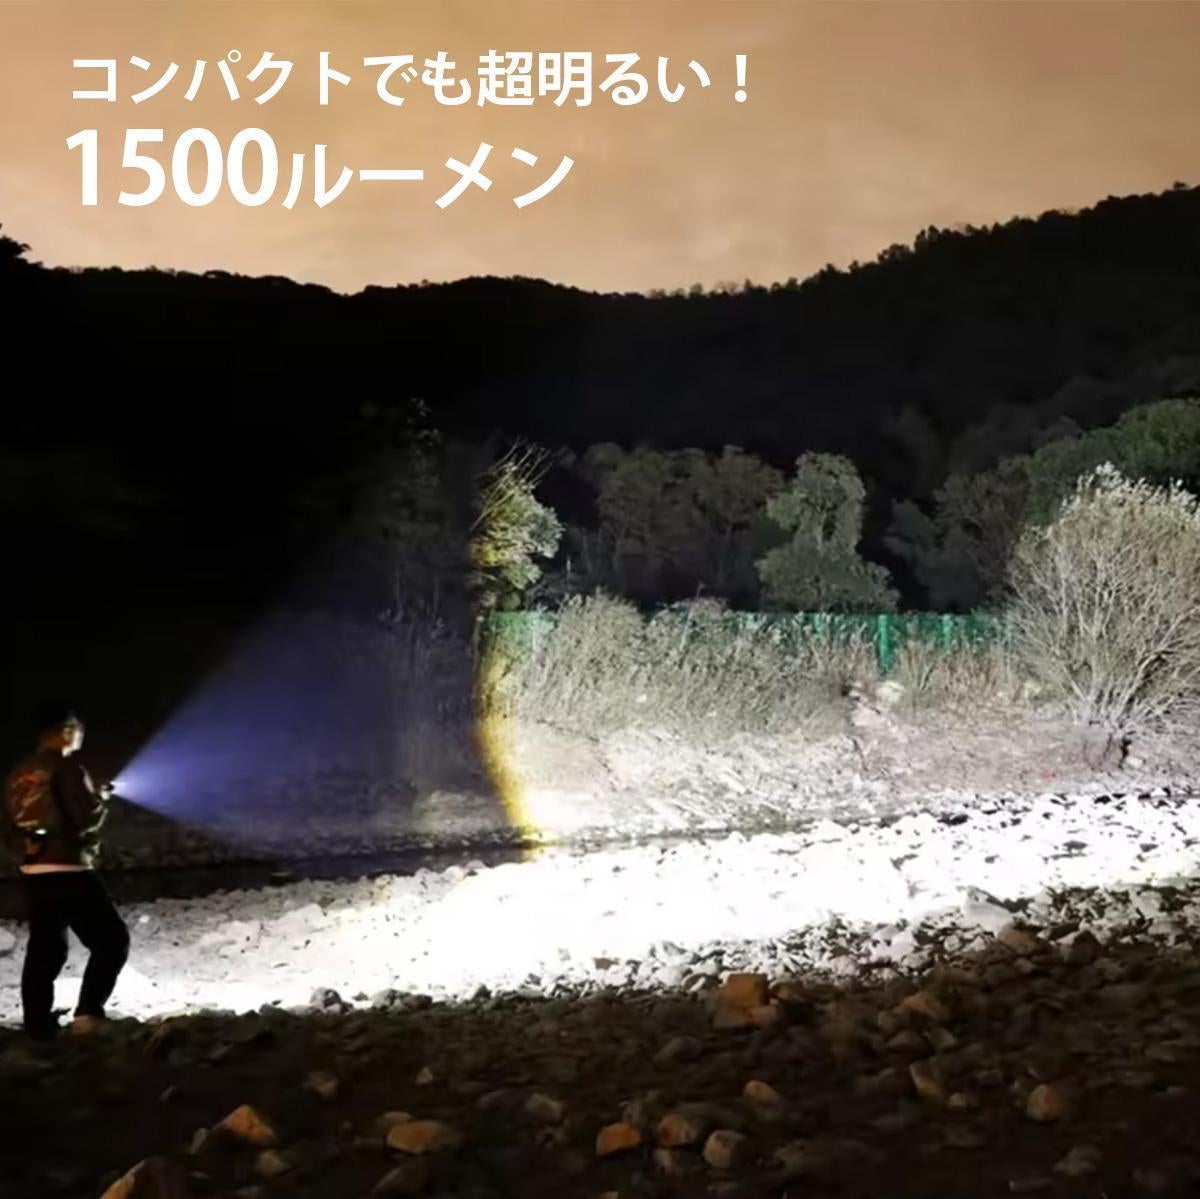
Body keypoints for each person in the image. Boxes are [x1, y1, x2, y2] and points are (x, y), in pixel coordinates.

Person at [3, 707, 129, 1040]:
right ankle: (88, 1015)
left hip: (34, 871)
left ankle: (37, 1026)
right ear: (67, 730)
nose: (80, 737)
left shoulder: (18, 772)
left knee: (45, 950)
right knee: (112, 941)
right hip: (69, 868)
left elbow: (9, 825)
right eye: (78, 730)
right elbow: (85, 817)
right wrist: (99, 798)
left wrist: (27, 851)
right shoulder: (67, 766)